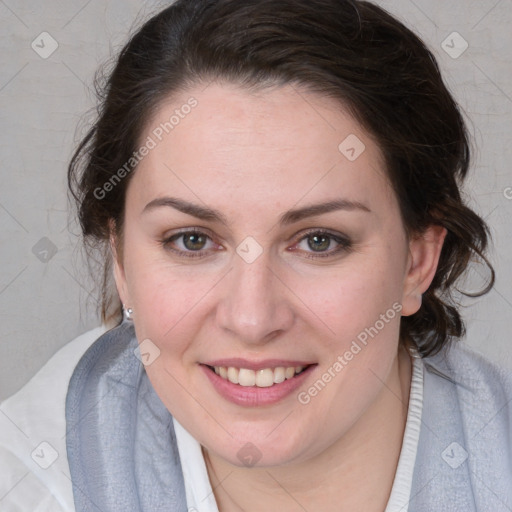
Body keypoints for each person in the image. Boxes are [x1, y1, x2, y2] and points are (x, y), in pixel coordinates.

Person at [1, 0, 511, 510]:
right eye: (192, 240)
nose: (251, 319)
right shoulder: (30, 478)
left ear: (416, 261)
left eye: (319, 241)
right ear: (121, 260)